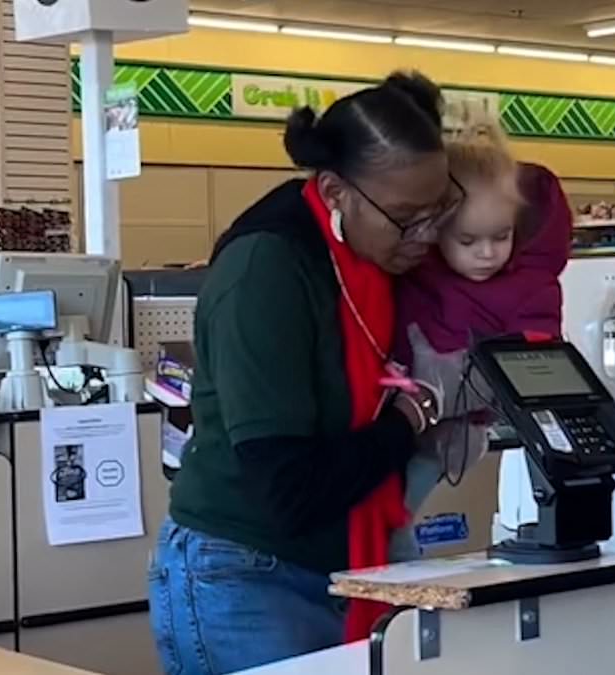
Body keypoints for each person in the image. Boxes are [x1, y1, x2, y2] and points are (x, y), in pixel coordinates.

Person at [146, 71, 466, 675]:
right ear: (334, 191)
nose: (427, 236)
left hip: (339, 559)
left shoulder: (367, 260)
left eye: (439, 209)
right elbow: (285, 487)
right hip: (245, 573)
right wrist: (407, 421)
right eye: (405, 218)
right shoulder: (266, 271)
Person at [390, 121, 573, 558]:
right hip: (402, 434)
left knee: (399, 529)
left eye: (501, 236)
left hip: (455, 441)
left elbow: (538, 360)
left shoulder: (533, 286)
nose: (487, 253)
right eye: (468, 240)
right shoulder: (415, 273)